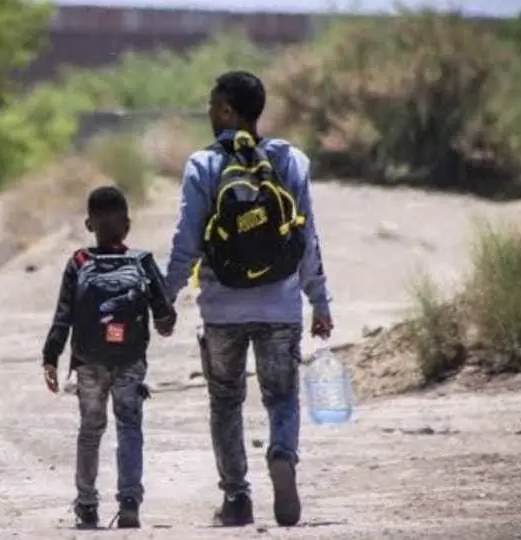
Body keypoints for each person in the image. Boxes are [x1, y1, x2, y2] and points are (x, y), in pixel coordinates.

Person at [164, 70, 333, 527]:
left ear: (226, 111)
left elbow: (187, 242)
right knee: (281, 399)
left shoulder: (204, 165)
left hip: (222, 310)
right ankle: (281, 455)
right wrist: (320, 301)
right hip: (280, 307)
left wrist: (164, 297)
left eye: (211, 104)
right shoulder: (291, 160)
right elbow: (308, 238)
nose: (207, 112)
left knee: (225, 401)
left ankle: (236, 498)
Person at [42, 185, 177, 530]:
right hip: (130, 359)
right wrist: (161, 322)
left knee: (90, 430)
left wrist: (50, 356)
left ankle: (87, 504)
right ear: (127, 225)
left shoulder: (79, 262)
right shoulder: (142, 261)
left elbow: (63, 315)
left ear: (89, 225)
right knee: (129, 426)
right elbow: (165, 317)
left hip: (87, 361)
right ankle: (129, 500)